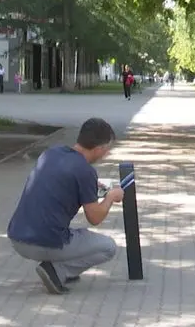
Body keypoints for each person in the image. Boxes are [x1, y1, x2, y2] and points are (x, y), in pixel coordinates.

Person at [7, 118, 123, 295]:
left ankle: (59, 270)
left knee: (78, 235)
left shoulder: (52, 153)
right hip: (42, 242)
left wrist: (91, 186)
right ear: (99, 148)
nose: (106, 154)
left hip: (16, 235)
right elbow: (95, 218)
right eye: (107, 150)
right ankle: (58, 271)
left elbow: (63, 179)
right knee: (108, 247)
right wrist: (110, 198)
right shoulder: (85, 171)